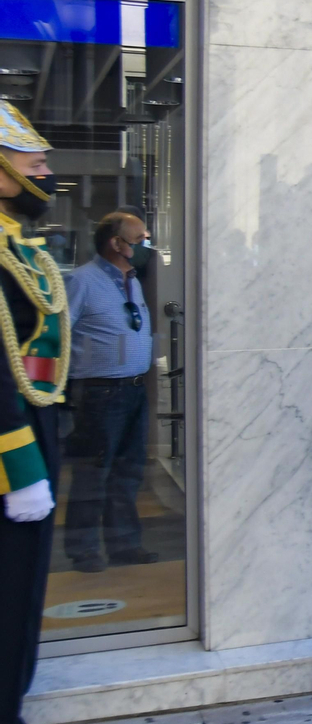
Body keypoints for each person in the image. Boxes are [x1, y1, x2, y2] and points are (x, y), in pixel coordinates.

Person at [0, 104, 74, 724]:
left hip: (32, 428)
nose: (44, 171)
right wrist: (21, 467)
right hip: (6, 452)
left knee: (20, 601)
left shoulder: (17, 240)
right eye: (31, 161)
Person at [62, 212, 157, 572]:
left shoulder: (132, 280)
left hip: (134, 390)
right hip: (100, 393)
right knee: (93, 473)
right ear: (116, 244)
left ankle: (124, 545)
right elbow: (62, 332)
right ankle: (84, 550)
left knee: (128, 472)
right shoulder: (82, 280)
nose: (145, 245)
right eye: (139, 240)